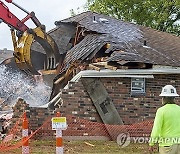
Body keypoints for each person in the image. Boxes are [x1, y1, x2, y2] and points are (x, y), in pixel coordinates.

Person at [149, 85, 180, 154]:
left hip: (167, 146)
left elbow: (156, 129)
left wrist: (152, 143)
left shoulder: (161, 111)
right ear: (174, 98)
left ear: (164, 98)